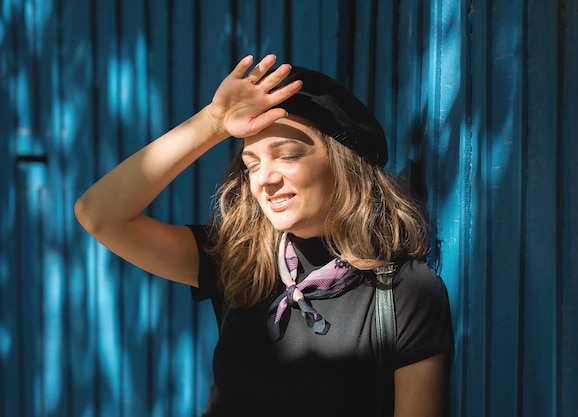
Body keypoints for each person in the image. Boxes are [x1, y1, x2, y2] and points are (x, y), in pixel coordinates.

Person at [75, 54, 454, 417]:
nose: (265, 179)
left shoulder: (406, 292)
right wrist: (213, 122)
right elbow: (99, 214)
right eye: (251, 164)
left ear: (344, 163)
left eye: (288, 155)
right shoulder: (238, 261)